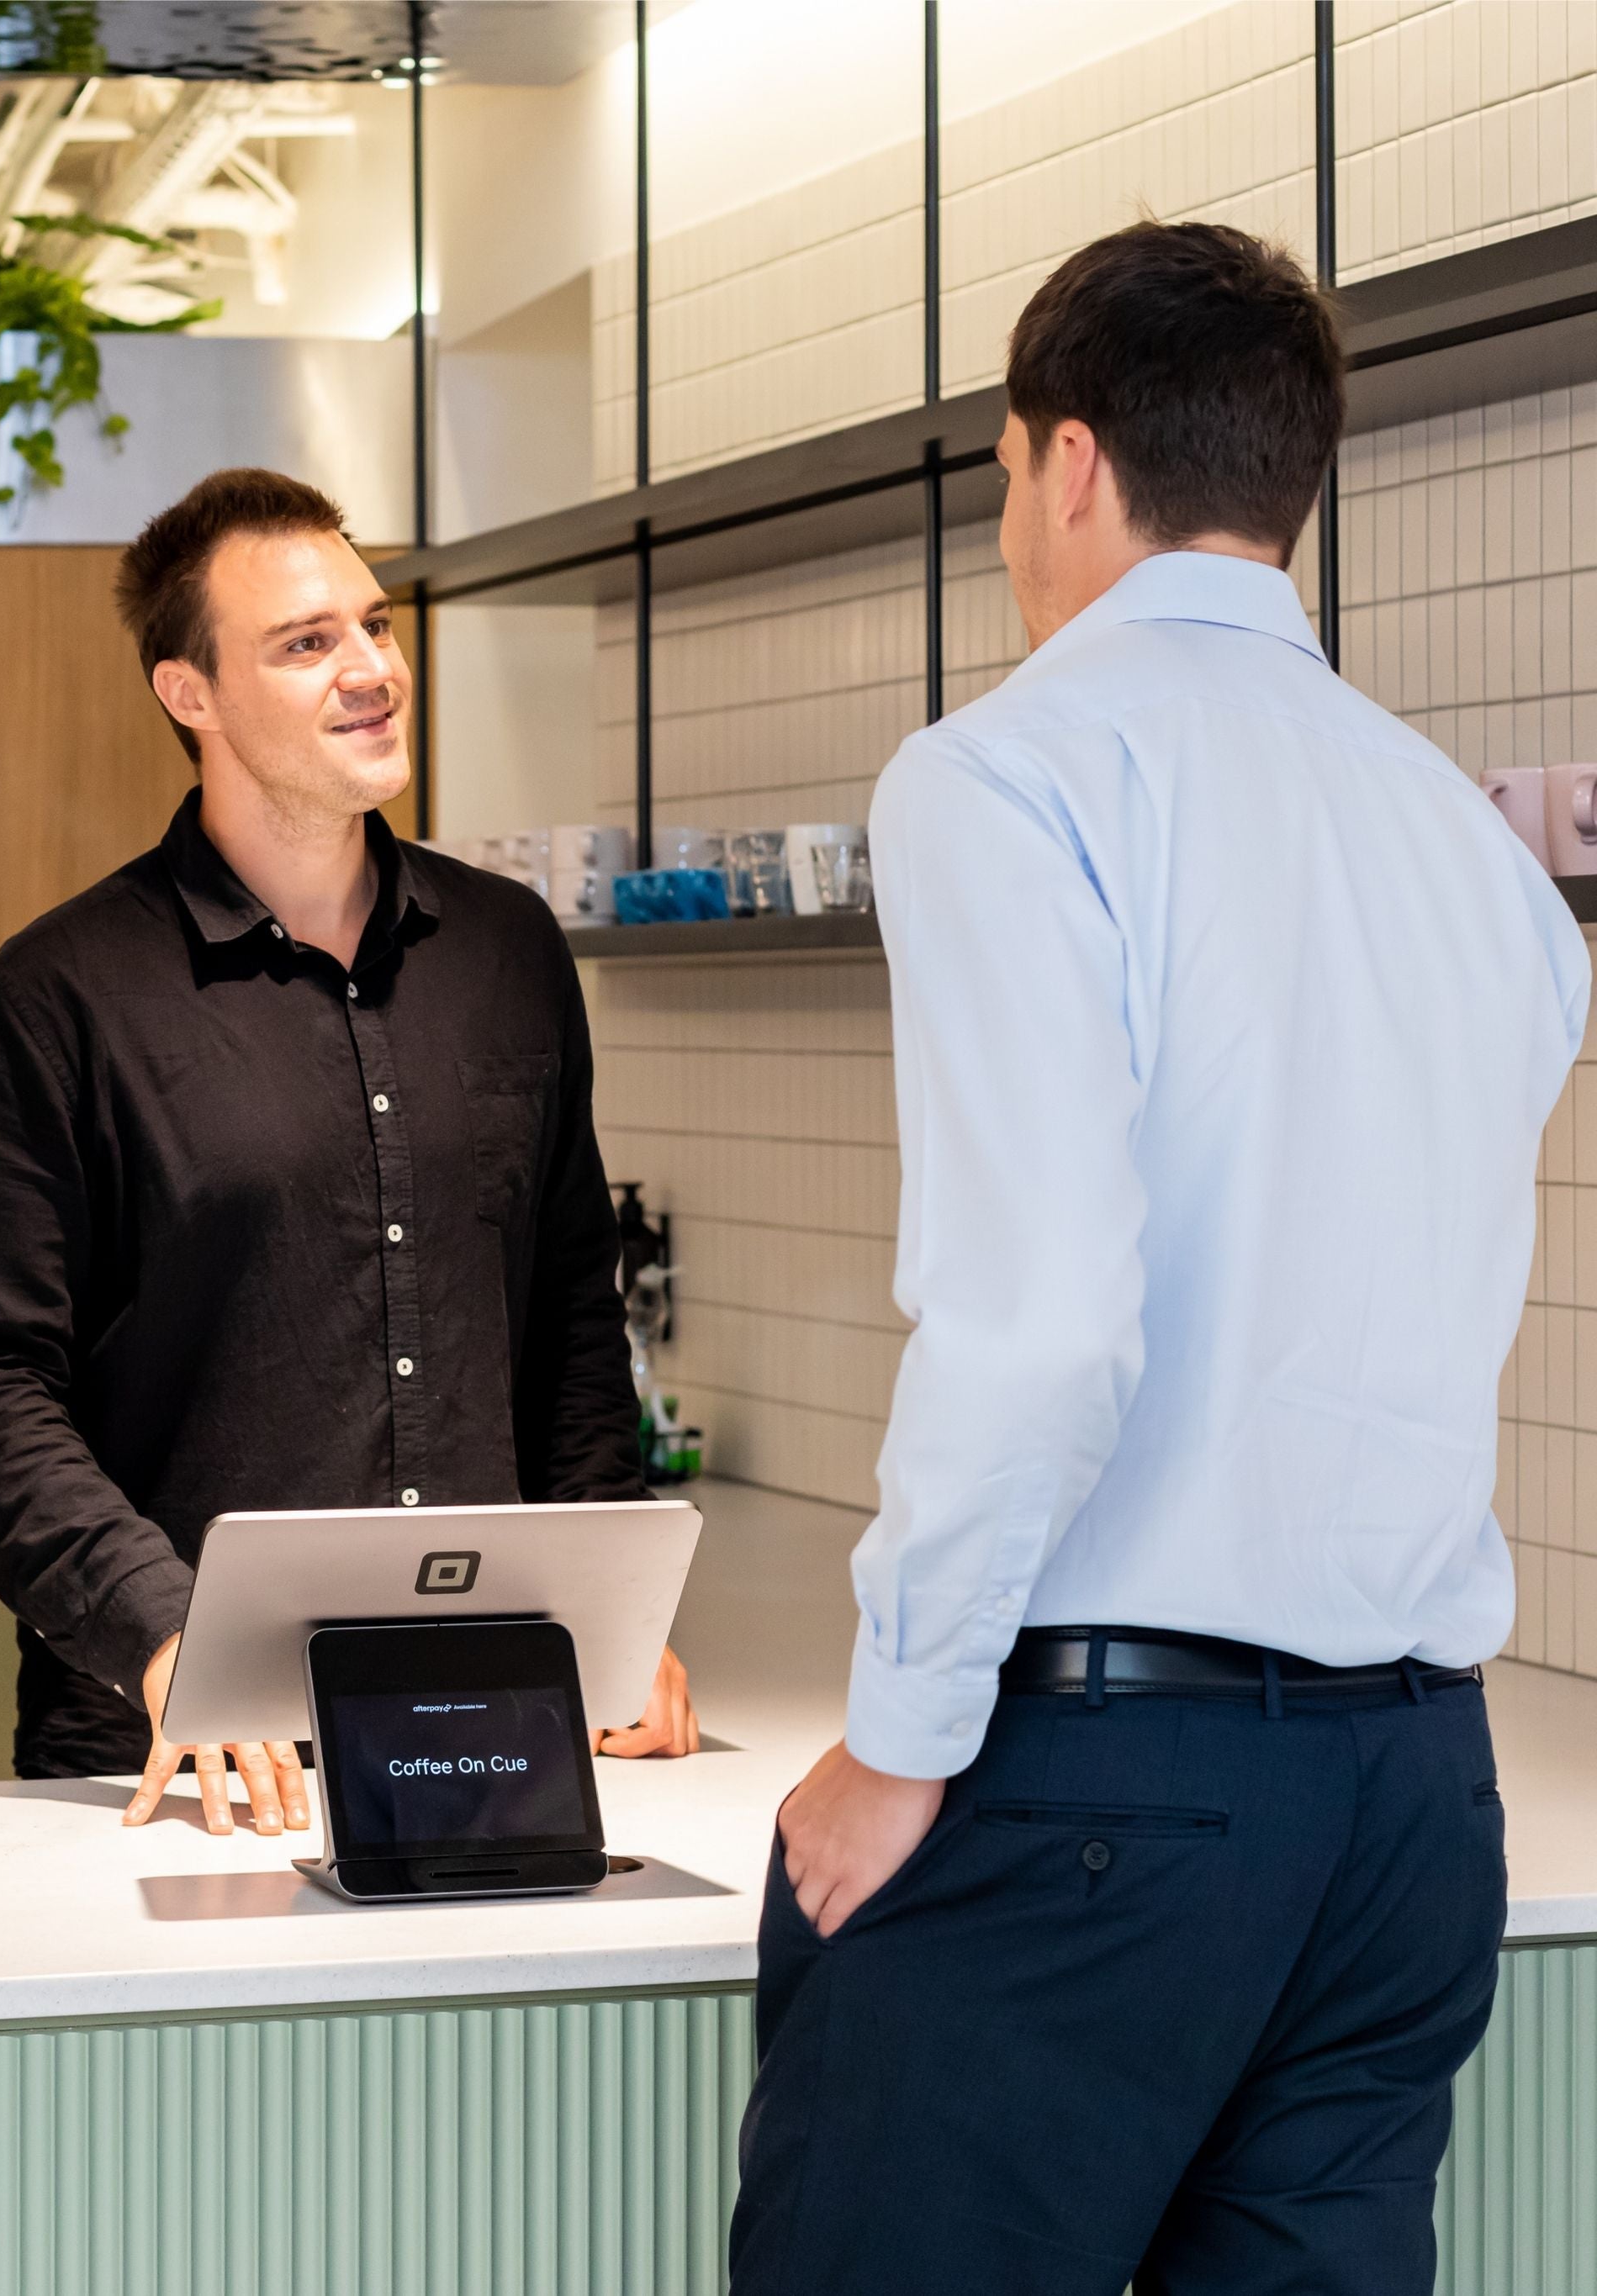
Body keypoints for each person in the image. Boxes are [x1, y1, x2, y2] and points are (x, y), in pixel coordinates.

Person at [731, 222, 1589, 2295]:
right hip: (1405, 1804)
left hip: (1097, 1783)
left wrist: (901, 1735)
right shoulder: (1480, 855)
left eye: (1007, 476)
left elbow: (1036, 1319)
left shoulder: (1006, 774)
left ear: (1070, 461)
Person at [0, 466, 696, 1834]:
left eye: (374, 626)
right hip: (183, 1765)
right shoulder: (55, 1001)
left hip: (486, 1721)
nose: (369, 671)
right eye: (305, 643)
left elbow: (571, 1312)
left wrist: (613, 1618)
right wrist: (167, 1640)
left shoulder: (509, 954)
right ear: (188, 693)